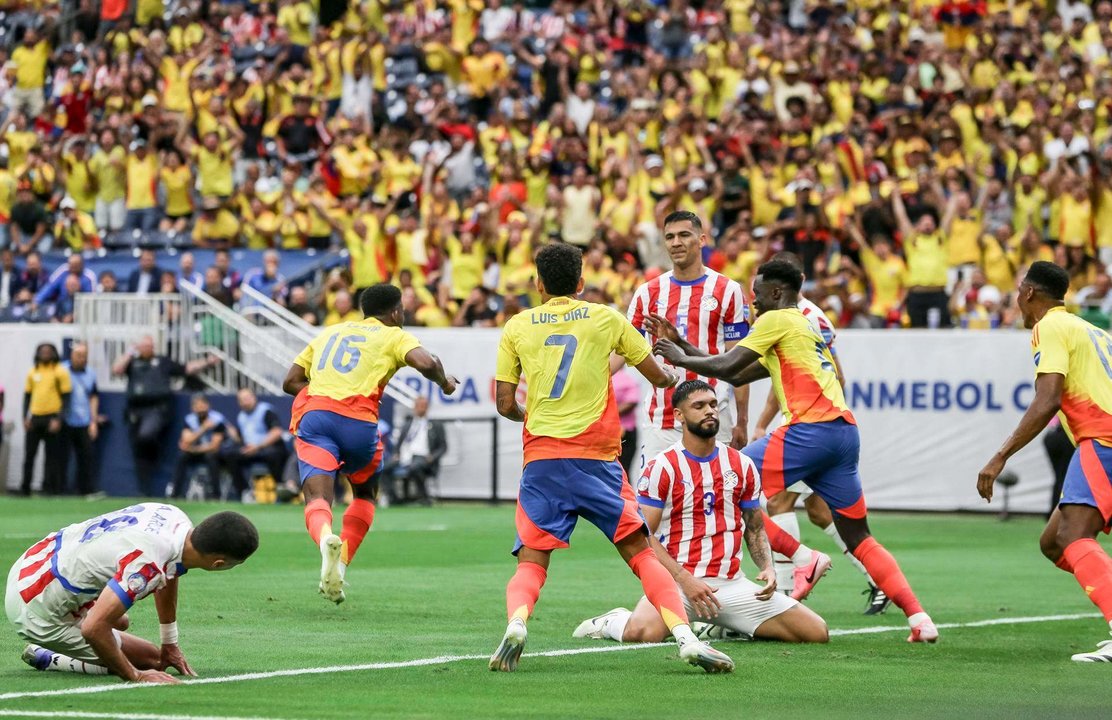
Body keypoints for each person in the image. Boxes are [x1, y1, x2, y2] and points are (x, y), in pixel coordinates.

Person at [652, 259, 938, 643]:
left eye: (756, 296)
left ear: (775, 293)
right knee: (859, 536)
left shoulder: (776, 319)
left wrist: (678, 356)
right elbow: (735, 373)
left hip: (810, 428)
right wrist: (684, 346)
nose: (752, 303)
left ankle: (805, 558)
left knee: (726, 482)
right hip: (844, 434)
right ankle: (919, 618)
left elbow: (727, 362)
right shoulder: (802, 324)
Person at [490, 242, 733, 673]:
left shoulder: (517, 326)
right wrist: (671, 367)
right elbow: (658, 379)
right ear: (581, 282)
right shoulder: (605, 317)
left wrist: (532, 417)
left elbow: (504, 403)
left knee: (532, 558)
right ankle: (686, 637)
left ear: (538, 284)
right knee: (640, 552)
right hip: (597, 460)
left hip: (542, 459)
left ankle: (516, 624)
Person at [622, 212, 830, 601]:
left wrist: (742, 420)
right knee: (656, 511)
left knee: (727, 508)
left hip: (712, 417)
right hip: (661, 419)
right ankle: (677, 595)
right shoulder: (648, 292)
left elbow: (737, 358)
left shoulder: (728, 291)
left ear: (703, 238)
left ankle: (722, 590)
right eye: (670, 236)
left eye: (685, 234)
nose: (677, 242)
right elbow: (624, 347)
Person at [573, 380, 829, 645]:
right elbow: (644, 537)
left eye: (713, 404)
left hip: (732, 585)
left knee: (815, 632)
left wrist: (767, 567)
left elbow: (754, 527)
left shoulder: (742, 464)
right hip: (678, 584)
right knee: (644, 633)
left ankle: (728, 626)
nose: (709, 411)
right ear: (680, 416)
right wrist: (685, 579)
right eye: (699, 406)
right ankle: (613, 621)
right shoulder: (662, 466)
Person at [282, 283, 458, 604]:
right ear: (395, 312)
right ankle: (342, 565)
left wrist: (322, 395)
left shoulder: (329, 333)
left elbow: (290, 381)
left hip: (317, 418)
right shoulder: (394, 334)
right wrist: (445, 383)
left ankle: (324, 538)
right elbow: (427, 363)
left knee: (318, 497)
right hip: (359, 423)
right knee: (364, 494)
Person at [977, 261, 1112, 662]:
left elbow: (1048, 398)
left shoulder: (1048, 327)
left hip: (1102, 440)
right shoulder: (1093, 330)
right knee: (1054, 542)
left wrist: (999, 456)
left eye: (1018, 292)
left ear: (1030, 292)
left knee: (1072, 536)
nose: (1016, 300)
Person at [752, 252, 888, 613]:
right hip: (816, 419)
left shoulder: (796, 317)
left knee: (775, 499)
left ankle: (783, 590)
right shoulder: (808, 316)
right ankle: (877, 579)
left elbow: (807, 373)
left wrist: (765, 422)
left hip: (810, 421)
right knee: (819, 510)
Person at [7, 504, 258, 683]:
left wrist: (169, 641)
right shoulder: (147, 564)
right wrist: (135, 675)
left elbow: (169, 571)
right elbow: (93, 628)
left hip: (33, 563)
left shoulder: (173, 516)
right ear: (219, 563)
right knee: (147, 659)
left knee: (121, 621)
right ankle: (50, 658)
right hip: (34, 606)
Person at [111, 336, 217, 496]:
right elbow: (116, 370)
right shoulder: (132, 362)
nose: (149, 348)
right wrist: (129, 353)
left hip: (157, 410)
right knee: (139, 450)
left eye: (151, 345)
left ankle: (154, 449)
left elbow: (186, 368)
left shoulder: (162, 362)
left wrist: (207, 362)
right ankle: (143, 491)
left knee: (146, 435)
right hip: (135, 412)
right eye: (145, 346)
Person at [21, 343, 71, 496]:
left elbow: (66, 398)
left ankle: (50, 489)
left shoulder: (60, 372)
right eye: (42, 352)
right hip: (35, 417)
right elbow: (27, 396)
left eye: (48, 352)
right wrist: (25, 416)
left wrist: (59, 419)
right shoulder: (33, 372)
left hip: (52, 417)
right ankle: (25, 489)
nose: (45, 354)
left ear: (54, 354)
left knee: (52, 457)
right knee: (29, 455)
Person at [221, 388, 288, 501]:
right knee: (231, 455)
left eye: (247, 398)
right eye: (241, 400)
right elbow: (242, 439)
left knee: (273, 454)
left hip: (267, 448)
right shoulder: (241, 416)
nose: (245, 402)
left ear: (254, 398)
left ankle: (281, 488)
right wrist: (234, 436)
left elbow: (276, 432)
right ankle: (245, 492)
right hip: (250, 451)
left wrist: (258, 446)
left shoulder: (266, 411)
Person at [387, 397, 446, 505]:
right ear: (414, 407)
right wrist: (396, 453)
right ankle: (394, 498)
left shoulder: (436, 425)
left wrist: (432, 457)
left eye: (423, 406)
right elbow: (399, 443)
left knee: (414, 467)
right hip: (405, 456)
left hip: (423, 457)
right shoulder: (408, 424)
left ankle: (424, 497)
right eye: (419, 406)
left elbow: (443, 447)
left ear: (427, 408)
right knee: (384, 468)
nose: (421, 409)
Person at [168, 394, 227, 500]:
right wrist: (203, 428)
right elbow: (186, 440)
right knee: (182, 456)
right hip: (196, 452)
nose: (200, 409)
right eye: (197, 406)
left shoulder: (217, 420)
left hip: (213, 454)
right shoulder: (190, 420)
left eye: (202, 406)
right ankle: (175, 494)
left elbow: (214, 446)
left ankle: (216, 495)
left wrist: (193, 449)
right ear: (193, 408)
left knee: (211, 457)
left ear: (208, 406)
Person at [60, 342, 99, 496]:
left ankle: (86, 490)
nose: (80, 358)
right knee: (61, 457)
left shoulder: (90, 373)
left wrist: (93, 421)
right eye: (78, 355)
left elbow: (93, 397)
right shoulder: (61, 370)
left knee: (86, 457)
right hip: (65, 419)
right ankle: (60, 490)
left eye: (83, 356)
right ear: (71, 355)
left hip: (83, 420)